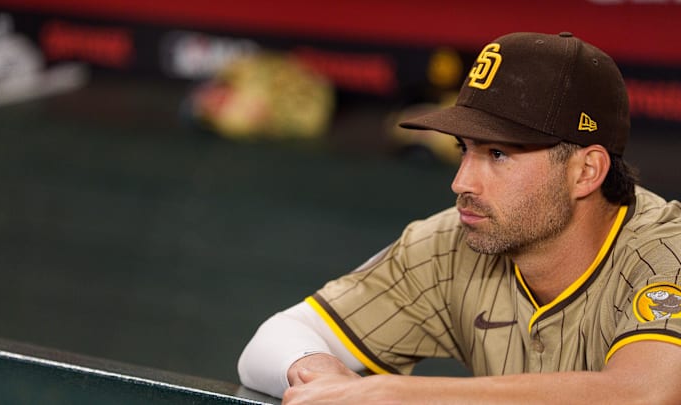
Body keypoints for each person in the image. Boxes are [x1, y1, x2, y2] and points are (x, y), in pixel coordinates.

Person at [237, 32, 681, 404]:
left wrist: (393, 396)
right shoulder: (456, 241)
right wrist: (322, 374)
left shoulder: (667, 254)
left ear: (586, 171)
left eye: (498, 154)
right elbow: (272, 342)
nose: (461, 182)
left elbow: (645, 393)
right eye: (463, 149)